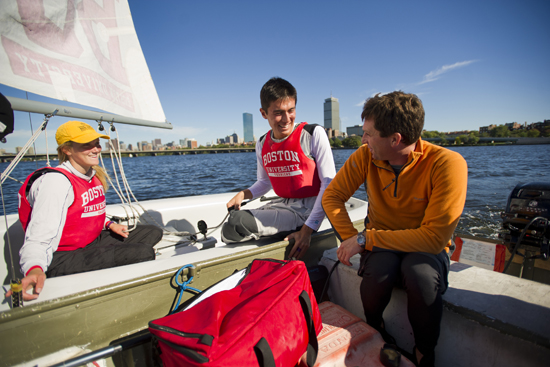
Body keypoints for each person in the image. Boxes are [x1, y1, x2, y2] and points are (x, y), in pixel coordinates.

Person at [322, 91, 467, 367]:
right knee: (378, 274)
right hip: (381, 249)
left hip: (424, 249)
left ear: (395, 139)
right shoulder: (365, 156)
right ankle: (376, 331)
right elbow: (332, 197)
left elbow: (434, 238)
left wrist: (365, 239)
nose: (362, 140)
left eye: (368, 133)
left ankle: (424, 355)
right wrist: (353, 238)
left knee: (421, 276)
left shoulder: (448, 164)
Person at [5, 120, 163, 301]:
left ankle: (107, 271)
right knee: (143, 253)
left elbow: (84, 210)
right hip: (60, 257)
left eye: (96, 143)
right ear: (67, 149)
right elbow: (39, 236)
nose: (95, 149)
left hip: (89, 243)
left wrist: (109, 224)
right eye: (86, 145)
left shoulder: (91, 175)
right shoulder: (56, 182)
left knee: (152, 232)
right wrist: (34, 269)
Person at [222, 77, 336, 259]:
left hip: (308, 210)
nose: (286, 119)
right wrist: (243, 194)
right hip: (284, 204)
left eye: (291, 110)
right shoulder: (261, 143)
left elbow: (329, 184)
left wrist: (308, 230)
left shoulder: (313, 134)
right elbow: (264, 182)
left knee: (236, 223)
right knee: (232, 221)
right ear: (263, 113)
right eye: (278, 113)